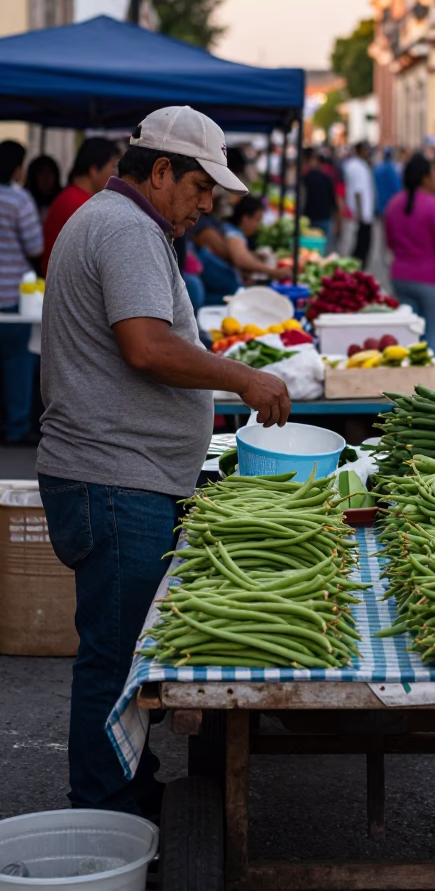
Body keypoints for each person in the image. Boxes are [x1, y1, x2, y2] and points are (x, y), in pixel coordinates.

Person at [37, 106, 291, 817]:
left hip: (120, 476)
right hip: (114, 480)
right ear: (159, 171)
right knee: (115, 662)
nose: (208, 203)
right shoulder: (123, 228)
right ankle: (108, 813)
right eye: (201, 186)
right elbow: (145, 346)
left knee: (119, 657)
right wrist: (241, 376)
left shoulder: (121, 222)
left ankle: (127, 791)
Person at [384, 153, 435, 363]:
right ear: (424, 178)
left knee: (411, 338)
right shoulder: (434, 205)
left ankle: (410, 385)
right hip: (434, 282)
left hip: (402, 278)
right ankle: (430, 392)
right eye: (434, 174)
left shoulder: (393, 204)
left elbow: (389, 243)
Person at [0, 140, 44, 443]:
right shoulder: (18, 199)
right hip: (13, 293)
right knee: (18, 364)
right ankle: (16, 426)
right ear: (17, 168)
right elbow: (35, 246)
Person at [42, 137, 122, 275]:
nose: (117, 176)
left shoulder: (72, 197)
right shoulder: (80, 205)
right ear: (94, 170)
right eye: (113, 168)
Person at [344, 141, 375, 268]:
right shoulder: (356, 166)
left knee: (361, 244)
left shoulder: (358, 165)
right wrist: (361, 213)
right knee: (361, 246)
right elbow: (358, 191)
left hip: (363, 212)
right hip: (362, 213)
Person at [302, 148, 340, 250]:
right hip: (323, 218)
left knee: (311, 248)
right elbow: (333, 202)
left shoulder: (306, 178)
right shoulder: (325, 178)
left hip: (311, 218)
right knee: (322, 248)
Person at [25, 154, 61, 223]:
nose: (46, 178)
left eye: (49, 173)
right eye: (41, 173)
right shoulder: (25, 203)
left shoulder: (61, 202)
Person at [374, 147, 402, 217]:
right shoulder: (393, 168)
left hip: (381, 201)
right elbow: (397, 186)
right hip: (391, 202)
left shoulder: (378, 168)